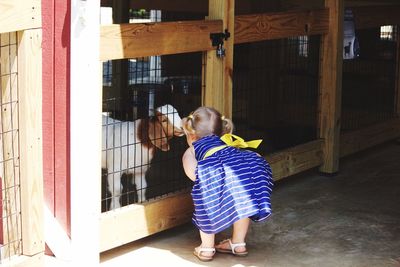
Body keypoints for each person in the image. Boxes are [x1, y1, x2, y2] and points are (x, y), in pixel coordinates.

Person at [181, 106, 273, 262]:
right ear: (221, 131)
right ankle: (238, 244)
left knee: (205, 203)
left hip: (216, 174)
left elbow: (193, 174)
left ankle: (207, 248)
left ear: (191, 135)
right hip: (246, 167)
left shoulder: (192, 150)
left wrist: (209, 186)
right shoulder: (228, 145)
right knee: (243, 201)